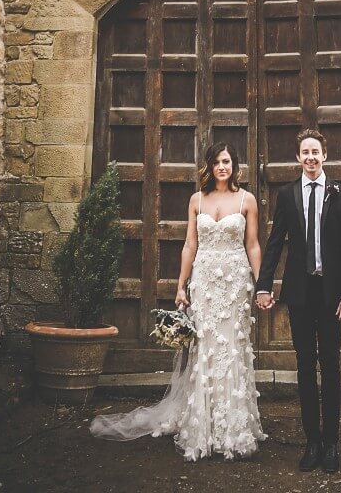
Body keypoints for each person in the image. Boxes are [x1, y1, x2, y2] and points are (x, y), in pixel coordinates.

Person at [90, 141, 265, 461]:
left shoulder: (246, 200)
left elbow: (252, 245)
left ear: (234, 165)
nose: (222, 167)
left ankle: (232, 429)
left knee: (230, 348)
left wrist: (262, 284)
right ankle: (204, 425)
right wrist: (181, 285)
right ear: (210, 167)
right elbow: (189, 245)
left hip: (235, 283)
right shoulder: (197, 199)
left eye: (226, 161)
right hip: (204, 281)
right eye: (216, 162)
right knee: (205, 351)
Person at [255, 127, 341, 473]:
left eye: (316, 152)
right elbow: (274, 243)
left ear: (324, 156)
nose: (311, 158)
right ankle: (311, 442)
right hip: (300, 293)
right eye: (305, 153)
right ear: (298, 158)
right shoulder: (287, 195)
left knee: (330, 365)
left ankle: (331, 443)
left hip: (331, 295)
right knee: (303, 366)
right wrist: (263, 286)